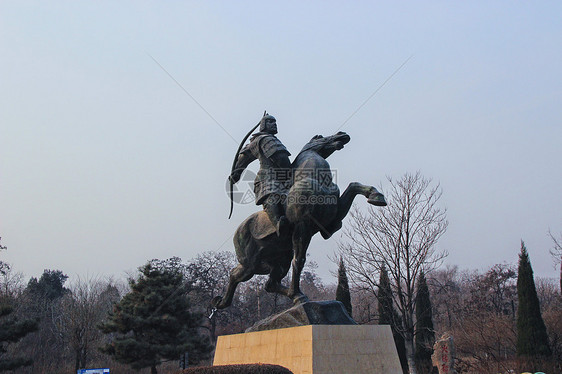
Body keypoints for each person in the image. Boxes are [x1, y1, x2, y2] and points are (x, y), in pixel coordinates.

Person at [230, 113, 291, 236]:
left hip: (284, 176)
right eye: (270, 122)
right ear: (263, 125)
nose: (274, 124)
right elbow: (243, 159)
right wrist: (236, 174)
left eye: (275, 122)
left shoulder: (273, 140)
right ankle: (278, 222)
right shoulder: (261, 140)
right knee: (271, 194)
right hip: (267, 178)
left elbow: (284, 161)